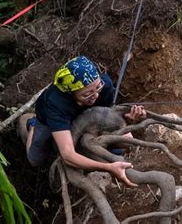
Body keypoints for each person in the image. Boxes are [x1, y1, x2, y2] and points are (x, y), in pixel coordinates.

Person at [18, 56, 145, 186]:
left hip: (88, 119)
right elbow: (67, 156)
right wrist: (109, 167)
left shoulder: (104, 86)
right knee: (35, 159)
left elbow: (109, 118)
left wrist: (129, 121)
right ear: (71, 94)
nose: (95, 95)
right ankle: (32, 125)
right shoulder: (55, 103)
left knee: (126, 140)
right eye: (87, 94)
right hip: (48, 120)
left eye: (97, 88)